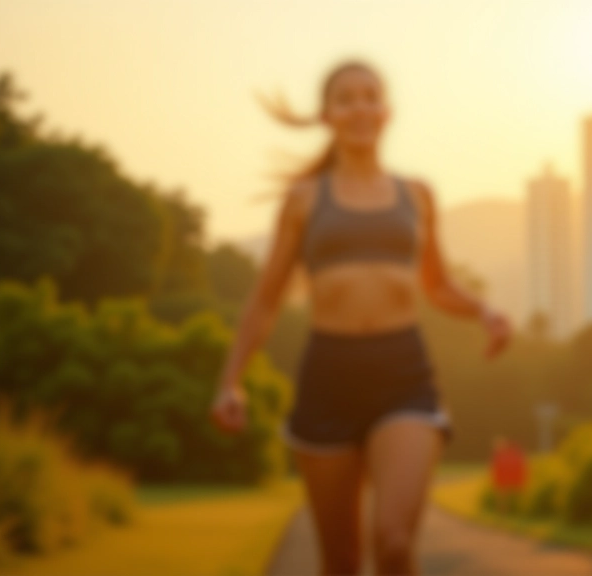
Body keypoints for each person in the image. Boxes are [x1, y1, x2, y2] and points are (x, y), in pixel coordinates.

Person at [209, 59, 513, 576]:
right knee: (342, 562)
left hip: (404, 375)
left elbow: (435, 285)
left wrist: (484, 311)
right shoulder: (304, 200)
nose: (360, 108)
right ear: (327, 116)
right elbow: (265, 299)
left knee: (393, 544)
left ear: (387, 111)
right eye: (345, 99)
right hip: (329, 374)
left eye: (370, 96)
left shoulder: (417, 194)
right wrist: (230, 381)